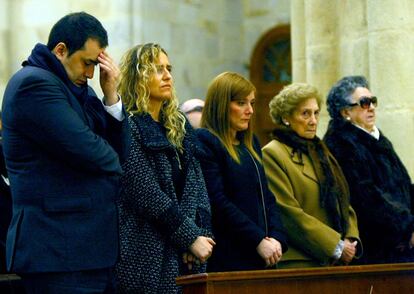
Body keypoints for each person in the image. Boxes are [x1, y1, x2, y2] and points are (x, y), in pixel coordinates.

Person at [1, 12, 128, 293]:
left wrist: (111, 97)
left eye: (96, 65)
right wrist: (111, 155)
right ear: (61, 50)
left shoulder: (81, 90)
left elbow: (120, 153)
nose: (91, 74)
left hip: (88, 252)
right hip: (58, 252)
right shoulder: (34, 84)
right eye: (87, 63)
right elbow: (93, 152)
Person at [115, 43, 215, 293]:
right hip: (145, 250)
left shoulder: (179, 125)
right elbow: (145, 192)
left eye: (168, 68)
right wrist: (190, 237)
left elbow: (198, 186)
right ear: (138, 76)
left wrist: (199, 237)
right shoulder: (129, 124)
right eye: (157, 69)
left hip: (187, 255)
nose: (168, 75)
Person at [262, 83, 362, 268]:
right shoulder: (273, 153)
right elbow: (288, 213)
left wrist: (350, 239)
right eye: (305, 113)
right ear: (286, 118)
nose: (313, 120)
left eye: (316, 113)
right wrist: (336, 246)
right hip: (301, 263)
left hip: (335, 262)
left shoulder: (321, 151)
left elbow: (344, 199)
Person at [196, 72, 287, 272]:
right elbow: (217, 201)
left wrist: (276, 237)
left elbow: (266, 196)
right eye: (241, 103)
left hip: (265, 252)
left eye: (252, 103)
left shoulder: (251, 143)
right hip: (232, 254)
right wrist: (257, 240)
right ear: (221, 105)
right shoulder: (206, 141)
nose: (250, 111)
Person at [324, 75, 414, 264]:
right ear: (345, 112)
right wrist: (406, 228)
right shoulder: (340, 143)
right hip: (375, 246)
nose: (371, 107)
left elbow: (404, 185)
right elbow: (364, 196)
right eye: (364, 103)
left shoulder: (377, 138)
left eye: (373, 101)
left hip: (402, 241)